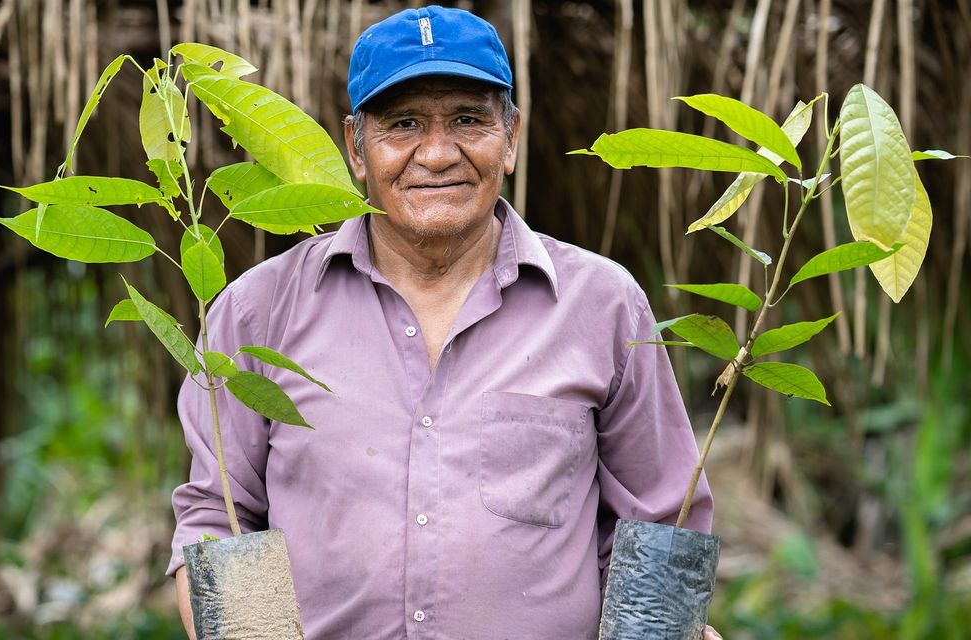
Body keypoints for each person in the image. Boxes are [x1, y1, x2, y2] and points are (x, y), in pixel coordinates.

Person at [167, 6, 719, 639]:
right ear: (356, 146)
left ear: (510, 136)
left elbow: (659, 535)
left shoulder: (601, 304)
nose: (436, 153)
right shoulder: (258, 311)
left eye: (467, 120)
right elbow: (220, 518)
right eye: (403, 124)